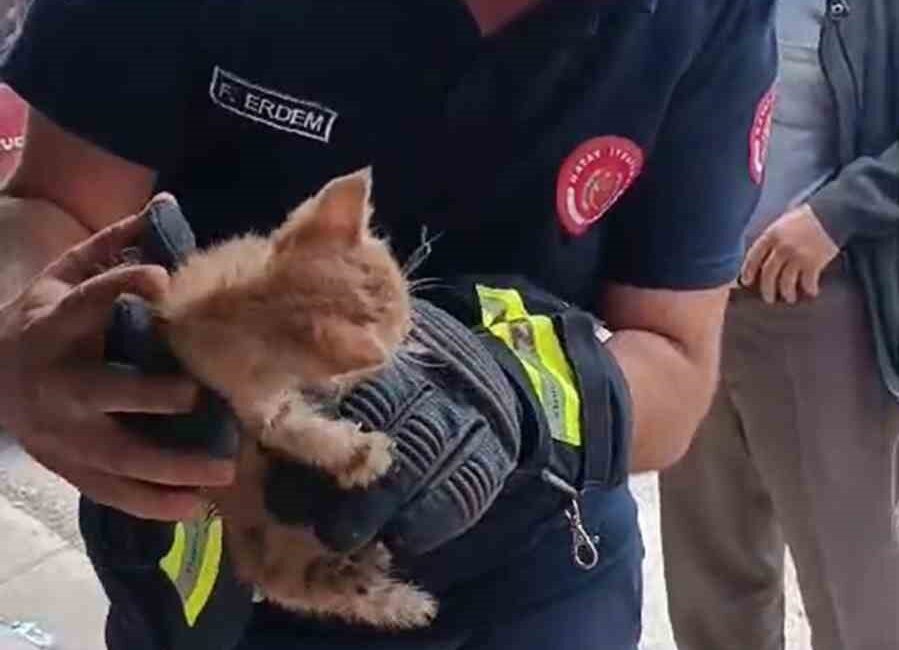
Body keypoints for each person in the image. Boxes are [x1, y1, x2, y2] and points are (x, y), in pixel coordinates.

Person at [0, 1, 775, 649]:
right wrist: (24, 332)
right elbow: (56, 208)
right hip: (213, 562)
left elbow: (675, 360)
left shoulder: (704, 13)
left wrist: (513, 403)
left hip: (532, 585)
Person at [660, 1, 899, 649]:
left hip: (817, 308)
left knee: (847, 583)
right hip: (685, 305)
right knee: (710, 577)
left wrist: (838, 213)